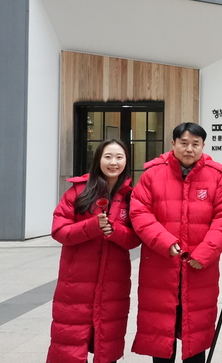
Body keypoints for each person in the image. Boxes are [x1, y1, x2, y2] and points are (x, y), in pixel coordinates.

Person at [130, 122, 222, 363]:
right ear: (173, 144)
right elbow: (140, 213)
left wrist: (204, 254)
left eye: (195, 144)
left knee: (195, 330)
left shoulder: (216, 177)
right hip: (160, 263)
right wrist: (165, 242)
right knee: (161, 330)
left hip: (199, 268)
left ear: (203, 146)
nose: (189, 149)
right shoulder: (152, 175)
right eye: (184, 143)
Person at [48, 139, 140, 363]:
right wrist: (92, 227)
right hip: (76, 281)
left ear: (126, 161)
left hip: (113, 282)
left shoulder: (131, 197)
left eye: (119, 157)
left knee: (107, 343)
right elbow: (59, 230)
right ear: (98, 159)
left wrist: (114, 230)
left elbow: (135, 239)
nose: (113, 162)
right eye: (108, 156)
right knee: (69, 344)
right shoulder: (78, 191)